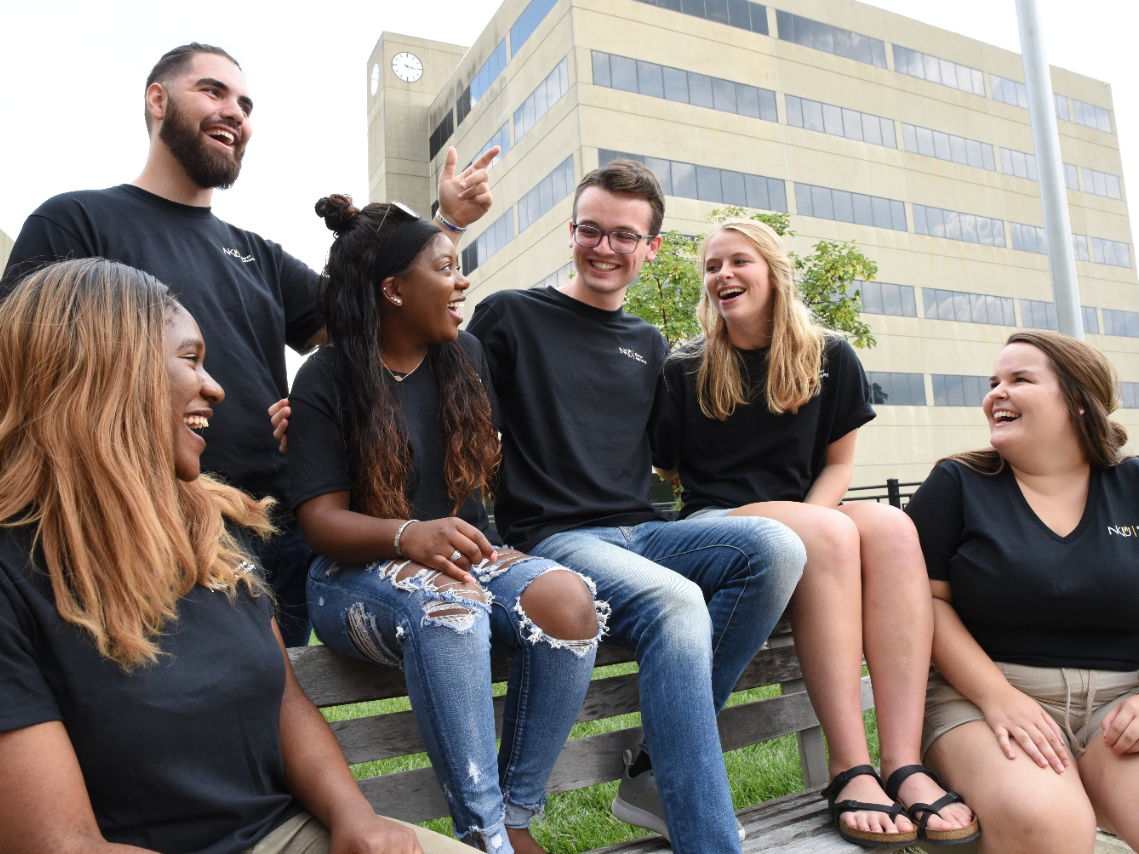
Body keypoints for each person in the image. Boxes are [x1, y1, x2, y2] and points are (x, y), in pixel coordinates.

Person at [0, 42, 496, 647]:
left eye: (246, 104)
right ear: (157, 100)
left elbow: (384, 310)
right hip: (148, 520)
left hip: (275, 525)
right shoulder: (76, 220)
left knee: (278, 695)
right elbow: (26, 372)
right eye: (212, 91)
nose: (235, 111)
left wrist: (443, 229)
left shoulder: (257, 254)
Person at [0, 257, 471, 854]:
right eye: (190, 359)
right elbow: (61, 844)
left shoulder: (212, 528)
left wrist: (356, 817)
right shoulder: (14, 577)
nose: (215, 387)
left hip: (285, 831)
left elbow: (285, 699)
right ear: (107, 374)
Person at [467, 159, 807, 853]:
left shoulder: (649, 344)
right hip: (557, 540)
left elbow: (681, 450)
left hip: (643, 534)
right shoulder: (511, 316)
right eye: (591, 230)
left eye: (625, 236)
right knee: (675, 604)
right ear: (570, 233)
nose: (605, 247)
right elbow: (451, 417)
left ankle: (654, 769)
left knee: (777, 546)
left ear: (650, 249)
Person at [287, 196, 604, 854]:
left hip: (455, 561)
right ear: (393, 290)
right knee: (451, 609)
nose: (461, 282)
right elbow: (320, 523)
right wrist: (408, 534)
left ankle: (515, 815)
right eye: (445, 268)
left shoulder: (465, 355)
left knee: (568, 600)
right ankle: (485, 837)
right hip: (350, 576)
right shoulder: (326, 376)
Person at [648, 218, 978, 847]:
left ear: (773, 271)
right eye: (712, 266)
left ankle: (902, 762)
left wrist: (815, 520)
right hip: (723, 523)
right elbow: (667, 467)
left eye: (738, 261)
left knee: (891, 526)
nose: (723, 275)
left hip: (810, 514)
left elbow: (839, 465)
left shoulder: (829, 354)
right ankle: (849, 767)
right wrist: (814, 527)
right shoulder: (685, 366)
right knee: (829, 534)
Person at [905, 330, 1139, 854]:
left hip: (1123, 704)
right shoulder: (957, 484)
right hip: (982, 699)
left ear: (1078, 401)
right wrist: (998, 697)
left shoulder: (1134, 484)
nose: (996, 393)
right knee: (1048, 824)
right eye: (993, 382)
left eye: (1019, 379)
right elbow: (924, 605)